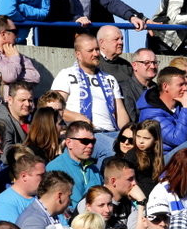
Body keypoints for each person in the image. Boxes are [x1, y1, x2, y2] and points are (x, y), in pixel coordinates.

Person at [50, 34, 129, 164]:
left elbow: (120, 111)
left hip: (113, 132)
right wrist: (79, 118)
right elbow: (53, 108)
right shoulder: (66, 75)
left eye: (97, 49)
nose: (96, 53)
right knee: (114, 149)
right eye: (90, 50)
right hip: (87, 134)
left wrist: (128, 132)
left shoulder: (109, 79)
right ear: (78, 54)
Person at [136, 66, 187, 157]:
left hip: (180, 156)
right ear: (165, 86)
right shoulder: (151, 113)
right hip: (160, 160)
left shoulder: (180, 103)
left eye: (184, 84)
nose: (185, 88)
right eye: (180, 85)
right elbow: (177, 139)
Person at [0, 16, 40, 92]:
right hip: (1, 102)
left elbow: (35, 77)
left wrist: (11, 76)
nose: (17, 36)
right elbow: (9, 76)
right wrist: (15, 60)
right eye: (15, 32)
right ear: (3, 34)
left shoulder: (15, 53)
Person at [0, 150, 45, 227]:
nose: (45, 179)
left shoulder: (41, 196)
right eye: (41, 175)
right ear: (24, 176)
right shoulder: (5, 204)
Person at [120, 48, 157, 122]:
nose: (152, 66)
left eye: (154, 62)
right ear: (134, 65)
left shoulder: (158, 89)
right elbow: (132, 121)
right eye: (147, 63)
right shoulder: (125, 89)